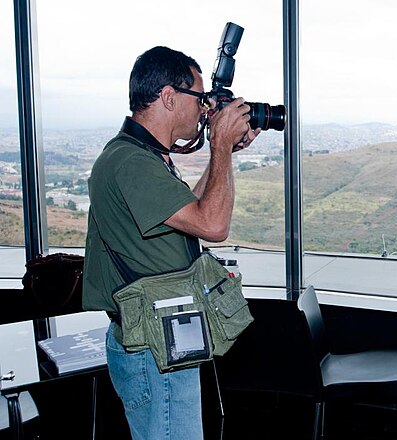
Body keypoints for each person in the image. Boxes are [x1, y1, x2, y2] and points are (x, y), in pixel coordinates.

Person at [82, 46, 260, 439]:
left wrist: (224, 150)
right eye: (198, 99)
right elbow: (213, 225)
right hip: (151, 349)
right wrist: (220, 147)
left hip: (162, 338)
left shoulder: (143, 155)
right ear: (168, 97)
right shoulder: (131, 163)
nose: (204, 109)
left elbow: (193, 213)